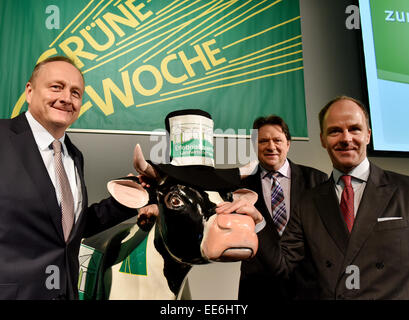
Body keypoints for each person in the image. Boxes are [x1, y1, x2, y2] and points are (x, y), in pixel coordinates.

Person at [237, 95, 409, 299]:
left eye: (354, 129)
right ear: (322, 139)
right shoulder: (309, 202)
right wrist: (259, 223)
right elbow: (282, 264)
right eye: (335, 131)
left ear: (368, 135)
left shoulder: (404, 189)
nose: (346, 139)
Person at [0, 56, 138, 300]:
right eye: (56, 87)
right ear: (29, 92)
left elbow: (69, 227)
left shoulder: (73, 155)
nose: (66, 98)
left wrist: (126, 200)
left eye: (76, 92)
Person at [238, 115, 327, 300]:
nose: (271, 146)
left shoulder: (317, 180)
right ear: (255, 145)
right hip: (257, 286)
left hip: (307, 286)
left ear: (288, 143)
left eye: (277, 140)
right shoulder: (241, 186)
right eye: (263, 141)